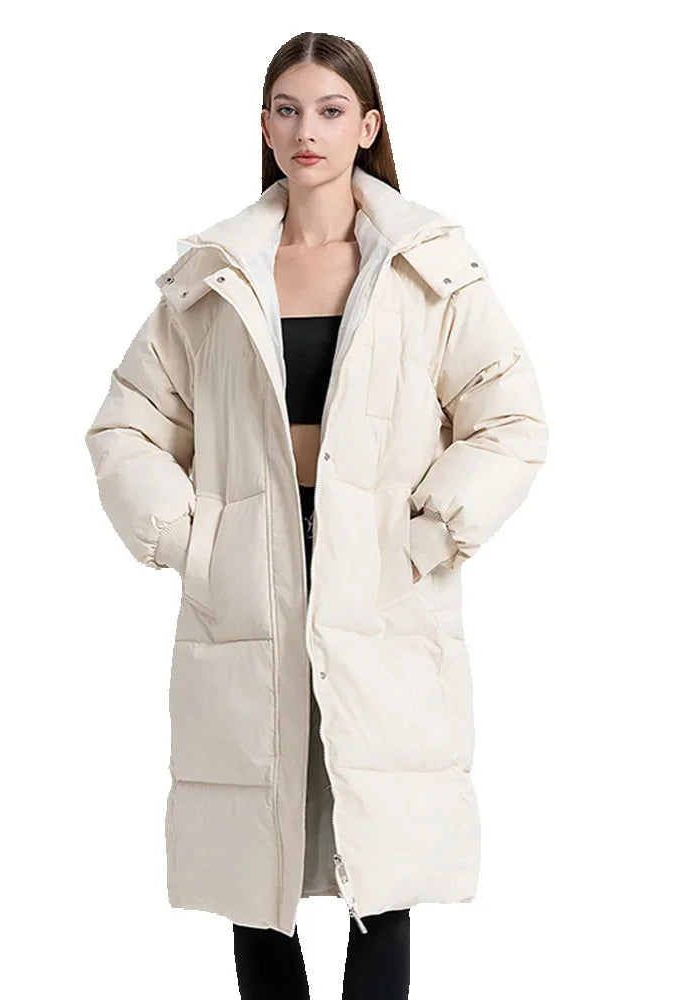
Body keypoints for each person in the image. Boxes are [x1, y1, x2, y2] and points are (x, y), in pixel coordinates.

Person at [85, 30, 548, 1000]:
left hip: (379, 576)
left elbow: (509, 421)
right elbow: (128, 424)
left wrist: (427, 536)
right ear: (264, 127)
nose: (309, 130)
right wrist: (191, 540)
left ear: (368, 126)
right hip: (250, 573)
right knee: (254, 845)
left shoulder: (428, 270)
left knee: (385, 848)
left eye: (332, 110)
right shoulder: (214, 278)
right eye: (289, 110)